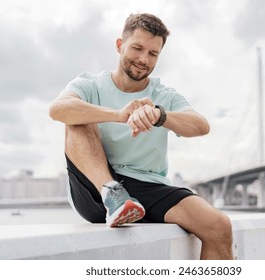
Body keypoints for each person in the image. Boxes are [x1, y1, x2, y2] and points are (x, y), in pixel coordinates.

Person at [49, 13, 233, 260]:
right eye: (137, 48)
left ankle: (124, 200)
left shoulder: (164, 95)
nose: (144, 59)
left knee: (219, 226)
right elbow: (57, 110)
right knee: (76, 116)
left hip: (147, 186)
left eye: (153, 53)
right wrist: (120, 115)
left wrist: (160, 116)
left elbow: (201, 126)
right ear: (119, 45)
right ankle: (113, 194)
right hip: (95, 187)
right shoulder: (90, 84)